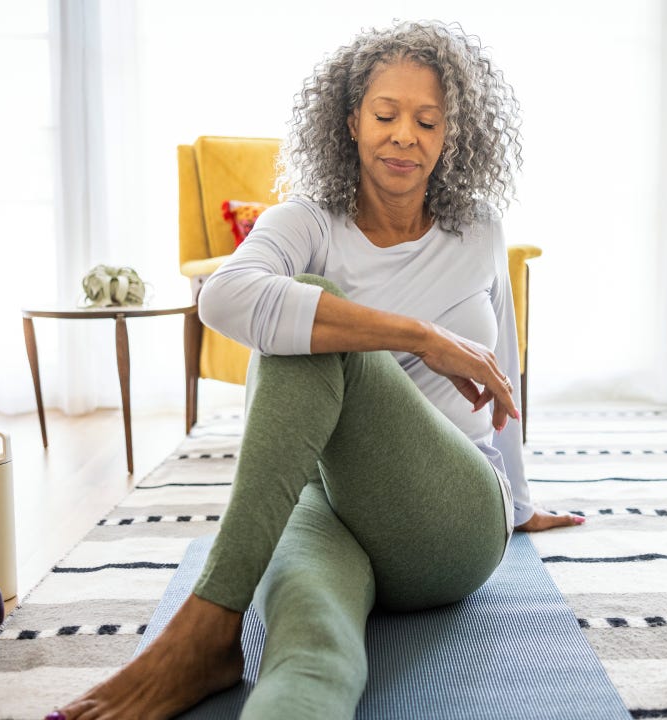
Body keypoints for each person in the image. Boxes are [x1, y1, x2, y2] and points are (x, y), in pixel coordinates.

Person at [49, 19, 582, 720]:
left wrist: (517, 501)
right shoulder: (310, 220)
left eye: (427, 121)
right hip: (327, 506)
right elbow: (223, 295)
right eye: (386, 114)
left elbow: (498, 369)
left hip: (448, 522)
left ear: (453, 135)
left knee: (316, 318)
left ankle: (208, 620)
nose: (404, 136)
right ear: (351, 121)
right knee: (307, 648)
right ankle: (232, 666)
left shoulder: (477, 228)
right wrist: (420, 337)